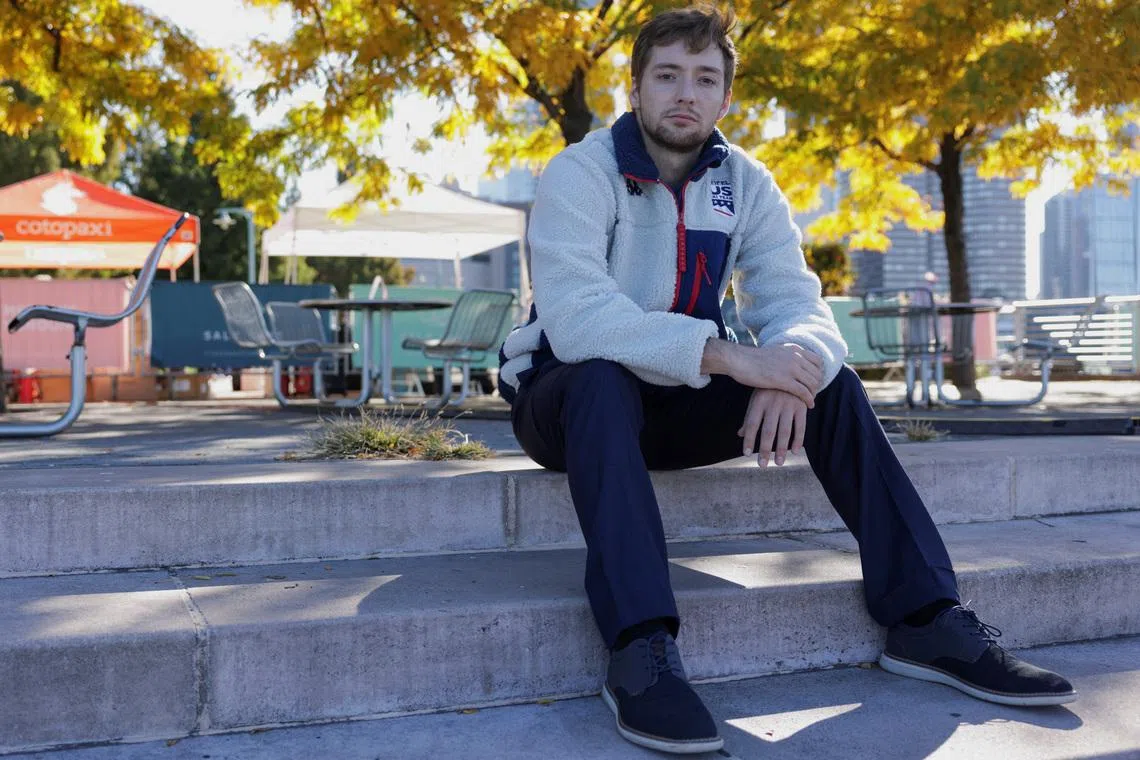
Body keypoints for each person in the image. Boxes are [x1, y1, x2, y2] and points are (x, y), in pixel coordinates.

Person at [497, 5, 1074, 754]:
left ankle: (925, 619)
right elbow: (579, 323)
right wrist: (737, 357)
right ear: (635, 88)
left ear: (726, 98)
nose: (686, 94)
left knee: (831, 384)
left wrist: (791, 370)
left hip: (674, 399)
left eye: (705, 79)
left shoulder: (745, 181)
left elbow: (799, 305)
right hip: (566, 404)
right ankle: (641, 653)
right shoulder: (582, 172)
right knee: (602, 378)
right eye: (666, 75)